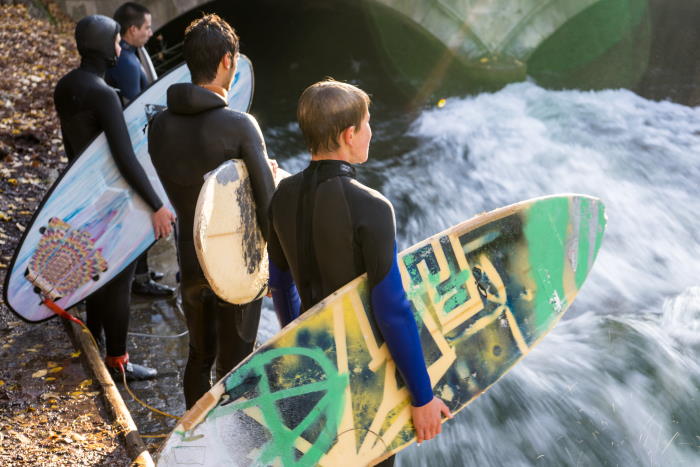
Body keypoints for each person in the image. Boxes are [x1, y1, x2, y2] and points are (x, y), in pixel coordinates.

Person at [267, 80, 452, 464]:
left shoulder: (281, 196)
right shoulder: (372, 206)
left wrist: (300, 349)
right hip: (367, 377)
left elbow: (281, 286)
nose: (373, 131)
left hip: (315, 372)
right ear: (349, 134)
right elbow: (392, 309)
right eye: (368, 123)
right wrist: (422, 397)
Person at [148, 14, 276, 409]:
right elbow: (269, 207)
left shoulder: (158, 126)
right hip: (236, 264)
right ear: (226, 60)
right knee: (235, 369)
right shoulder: (239, 126)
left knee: (199, 357)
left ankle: (196, 443)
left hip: (190, 258)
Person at [53, 14, 175, 379]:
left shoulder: (67, 86)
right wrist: (157, 204)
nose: (120, 47)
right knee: (118, 276)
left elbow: (71, 146)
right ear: (105, 46)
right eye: (117, 41)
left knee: (96, 271)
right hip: (113, 194)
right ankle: (118, 361)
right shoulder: (103, 95)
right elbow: (124, 157)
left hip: (84, 192)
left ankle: (95, 341)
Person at [107, 2, 174, 298]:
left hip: (136, 147)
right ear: (132, 29)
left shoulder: (132, 55)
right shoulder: (127, 63)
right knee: (146, 209)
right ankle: (140, 279)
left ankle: (141, 274)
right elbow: (137, 110)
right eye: (147, 27)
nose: (150, 32)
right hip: (136, 149)